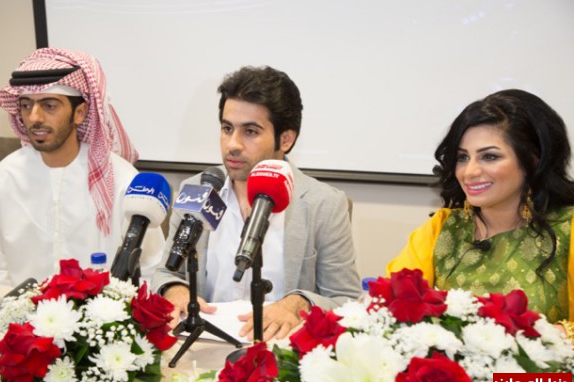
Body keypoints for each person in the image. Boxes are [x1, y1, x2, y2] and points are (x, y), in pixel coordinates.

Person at [152, 65, 361, 341]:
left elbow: (346, 298)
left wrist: (298, 303)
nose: (232, 144)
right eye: (227, 128)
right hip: (202, 345)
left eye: (250, 131)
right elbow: (165, 272)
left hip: (281, 350)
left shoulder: (324, 204)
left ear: (285, 139)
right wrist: (174, 289)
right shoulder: (197, 189)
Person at [386, 89, 574, 341]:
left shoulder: (567, 228)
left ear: (533, 160)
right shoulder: (441, 229)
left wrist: (550, 337)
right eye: (463, 157)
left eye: (489, 156)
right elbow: (390, 309)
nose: (469, 172)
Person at [0, 48, 165, 286]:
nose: (34, 117)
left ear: (80, 113)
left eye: (49, 106)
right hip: (19, 306)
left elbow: (150, 268)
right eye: (26, 106)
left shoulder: (121, 179)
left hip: (101, 309)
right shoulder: (7, 174)